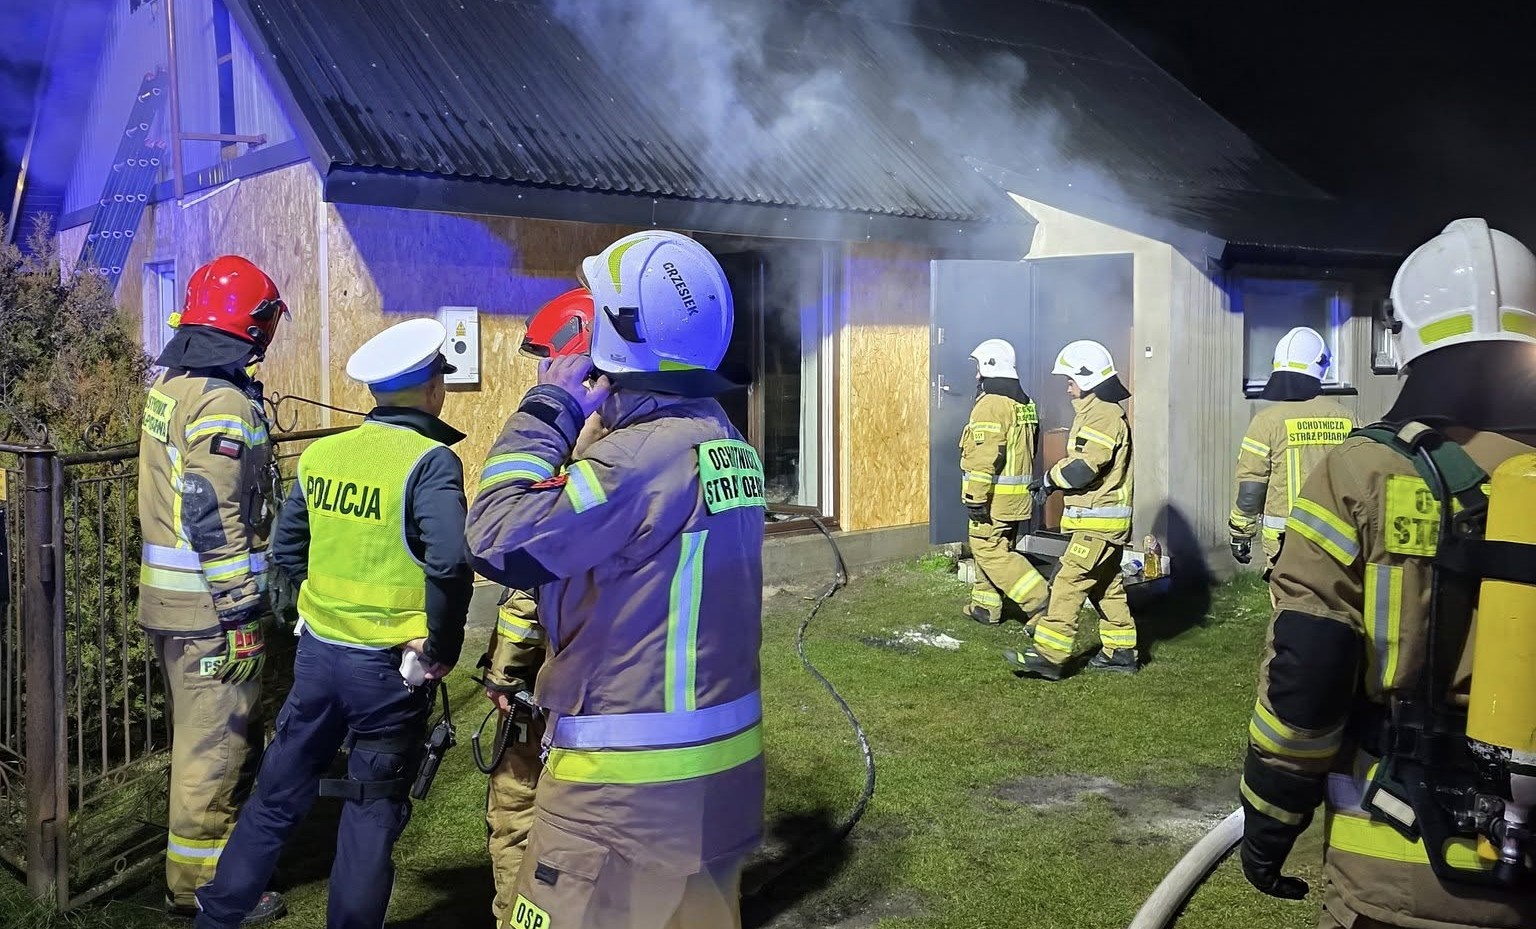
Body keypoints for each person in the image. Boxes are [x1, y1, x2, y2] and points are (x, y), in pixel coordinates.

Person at [1238, 218, 1536, 928]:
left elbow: (1308, 673)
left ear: (1405, 336)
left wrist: (1271, 818)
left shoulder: (1365, 470)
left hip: (1406, 865)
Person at [466, 230, 765, 929]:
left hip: (621, 800)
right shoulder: (724, 439)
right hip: (716, 793)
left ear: (622, 336)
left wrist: (550, 407)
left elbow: (496, 535)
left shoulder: (634, 462)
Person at [194, 318, 474, 929]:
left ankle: (216, 919)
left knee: (274, 800)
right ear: (431, 388)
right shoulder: (431, 462)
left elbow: (286, 552)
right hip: (389, 672)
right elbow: (451, 560)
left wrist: (299, 615)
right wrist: (444, 646)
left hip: (319, 660)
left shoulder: (325, 454)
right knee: (370, 812)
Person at [136, 255, 288, 924]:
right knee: (215, 749)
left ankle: (195, 876)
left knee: (197, 744)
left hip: (176, 604)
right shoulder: (222, 401)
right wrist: (242, 615)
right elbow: (209, 508)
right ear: (248, 325)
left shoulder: (175, 386)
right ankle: (206, 892)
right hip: (210, 612)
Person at [479, 287, 602, 922]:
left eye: (548, 359)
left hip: (552, 682)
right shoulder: (647, 446)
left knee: (519, 808)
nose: (539, 372)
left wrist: (505, 673)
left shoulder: (566, 453)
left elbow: (525, 583)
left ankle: (513, 915)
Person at [1006, 339, 1135, 680]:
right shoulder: (1095, 414)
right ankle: (1121, 650)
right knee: (1105, 585)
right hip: (1099, 524)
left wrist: (1049, 480)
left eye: (1071, 380)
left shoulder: (1103, 416)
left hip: (1099, 525)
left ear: (1088, 379)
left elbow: (1085, 468)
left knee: (1067, 582)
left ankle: (1049, 656)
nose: (1067, 387)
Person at [1229, 327, 1357, 578]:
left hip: (1286, 541)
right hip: (1339, 537)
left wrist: (1240, 533)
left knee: (1288, 610)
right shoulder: (1346, 417)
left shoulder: (1267, 421)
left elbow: (1250, 489)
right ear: (1322, 366)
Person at [959, 338, 1048, 625]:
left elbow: (984, 456)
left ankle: (1040, 601)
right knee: (997, 547)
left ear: (990, 367)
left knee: (987, 548)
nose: (977, 376)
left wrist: (975, 497)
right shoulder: (1025, 402)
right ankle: (985, 605)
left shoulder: (992, 405)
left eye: (979, 369)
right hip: (1016, 498)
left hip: (994, 498)